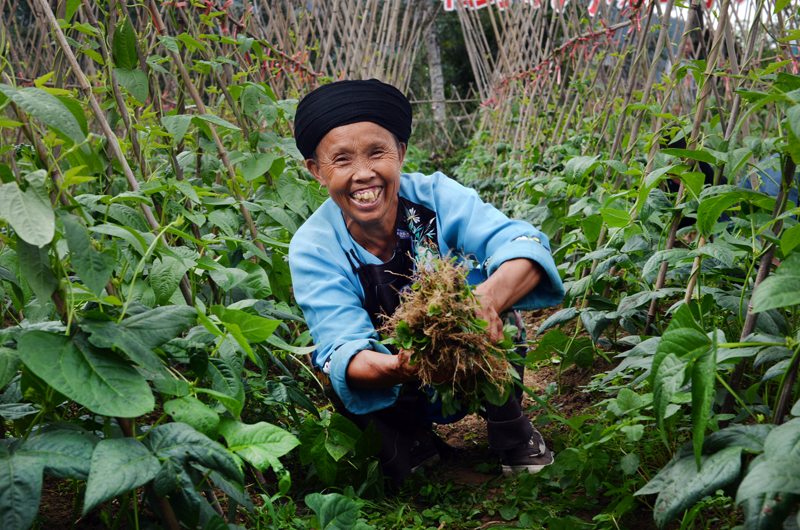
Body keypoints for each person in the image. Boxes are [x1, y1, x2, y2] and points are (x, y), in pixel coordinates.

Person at [287, 79, 566, 486]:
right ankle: (410, 438)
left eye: (377, 152)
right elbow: (342, 343)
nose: (363, 174)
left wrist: (485, 302)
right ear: (316, 170)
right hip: (396, 374)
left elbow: (522, 244)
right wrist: (400, 366)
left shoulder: (435, 197)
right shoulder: (315, 246)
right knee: (337, 368)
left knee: (503, 303)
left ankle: (510, 427)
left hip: (472, 356)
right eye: (342, 160)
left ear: (400, 153)